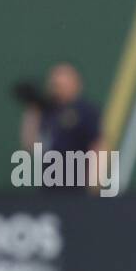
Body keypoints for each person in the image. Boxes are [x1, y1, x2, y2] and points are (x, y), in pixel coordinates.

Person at [18, 62, 103, 193]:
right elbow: (31, 145)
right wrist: (32, 108)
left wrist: (94, 180)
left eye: (61, 83)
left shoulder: (85, 110)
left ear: (75, 83)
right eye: (54, 83)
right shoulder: (47, 112)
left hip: (77, 185)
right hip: (50, 184)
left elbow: (98, 145)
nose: (56, 87)